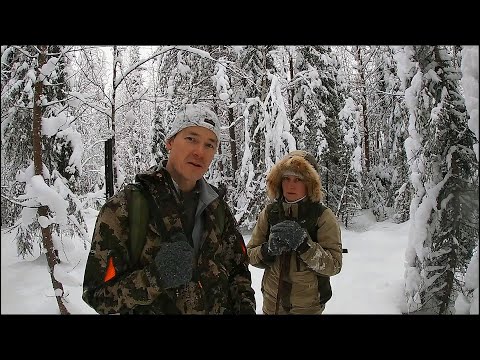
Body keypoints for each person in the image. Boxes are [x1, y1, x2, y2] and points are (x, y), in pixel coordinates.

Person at [82, 103, 256, 314]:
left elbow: (238, 272)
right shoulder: (127, 207)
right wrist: (155, 277)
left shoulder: (217, 209)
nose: (200, 152)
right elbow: (97, 295)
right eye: (191, 139)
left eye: (209, 145)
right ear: (170, 142)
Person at [246, 150, 342, 314]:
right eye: (286, 178)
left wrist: (305, 246)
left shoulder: (322, 216)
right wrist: (267, 250)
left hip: (307, 306)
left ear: (310, 183)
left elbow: (334, 265)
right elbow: (250, 255)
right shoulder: (270, 213)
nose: (291, 185)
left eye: (298, 179)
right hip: (272, 304)